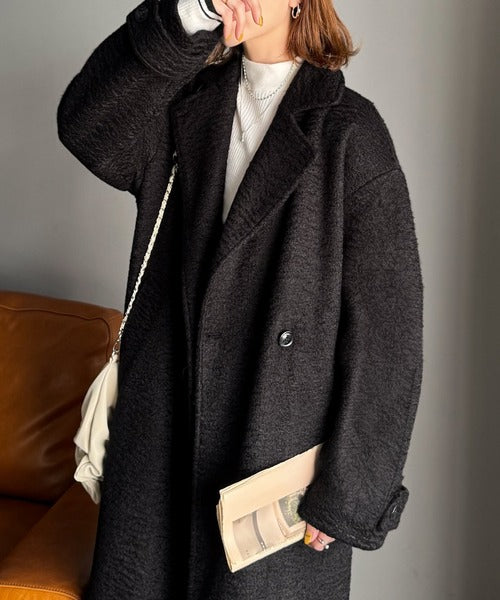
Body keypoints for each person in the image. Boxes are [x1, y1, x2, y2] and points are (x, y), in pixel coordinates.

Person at [57, 0, 424, 598]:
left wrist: (348, 491)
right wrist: (189, 13)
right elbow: (87, 128)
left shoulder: (350, 132)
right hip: (161, 437)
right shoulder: (182, 106)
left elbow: (390, 331)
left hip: (272, 452)